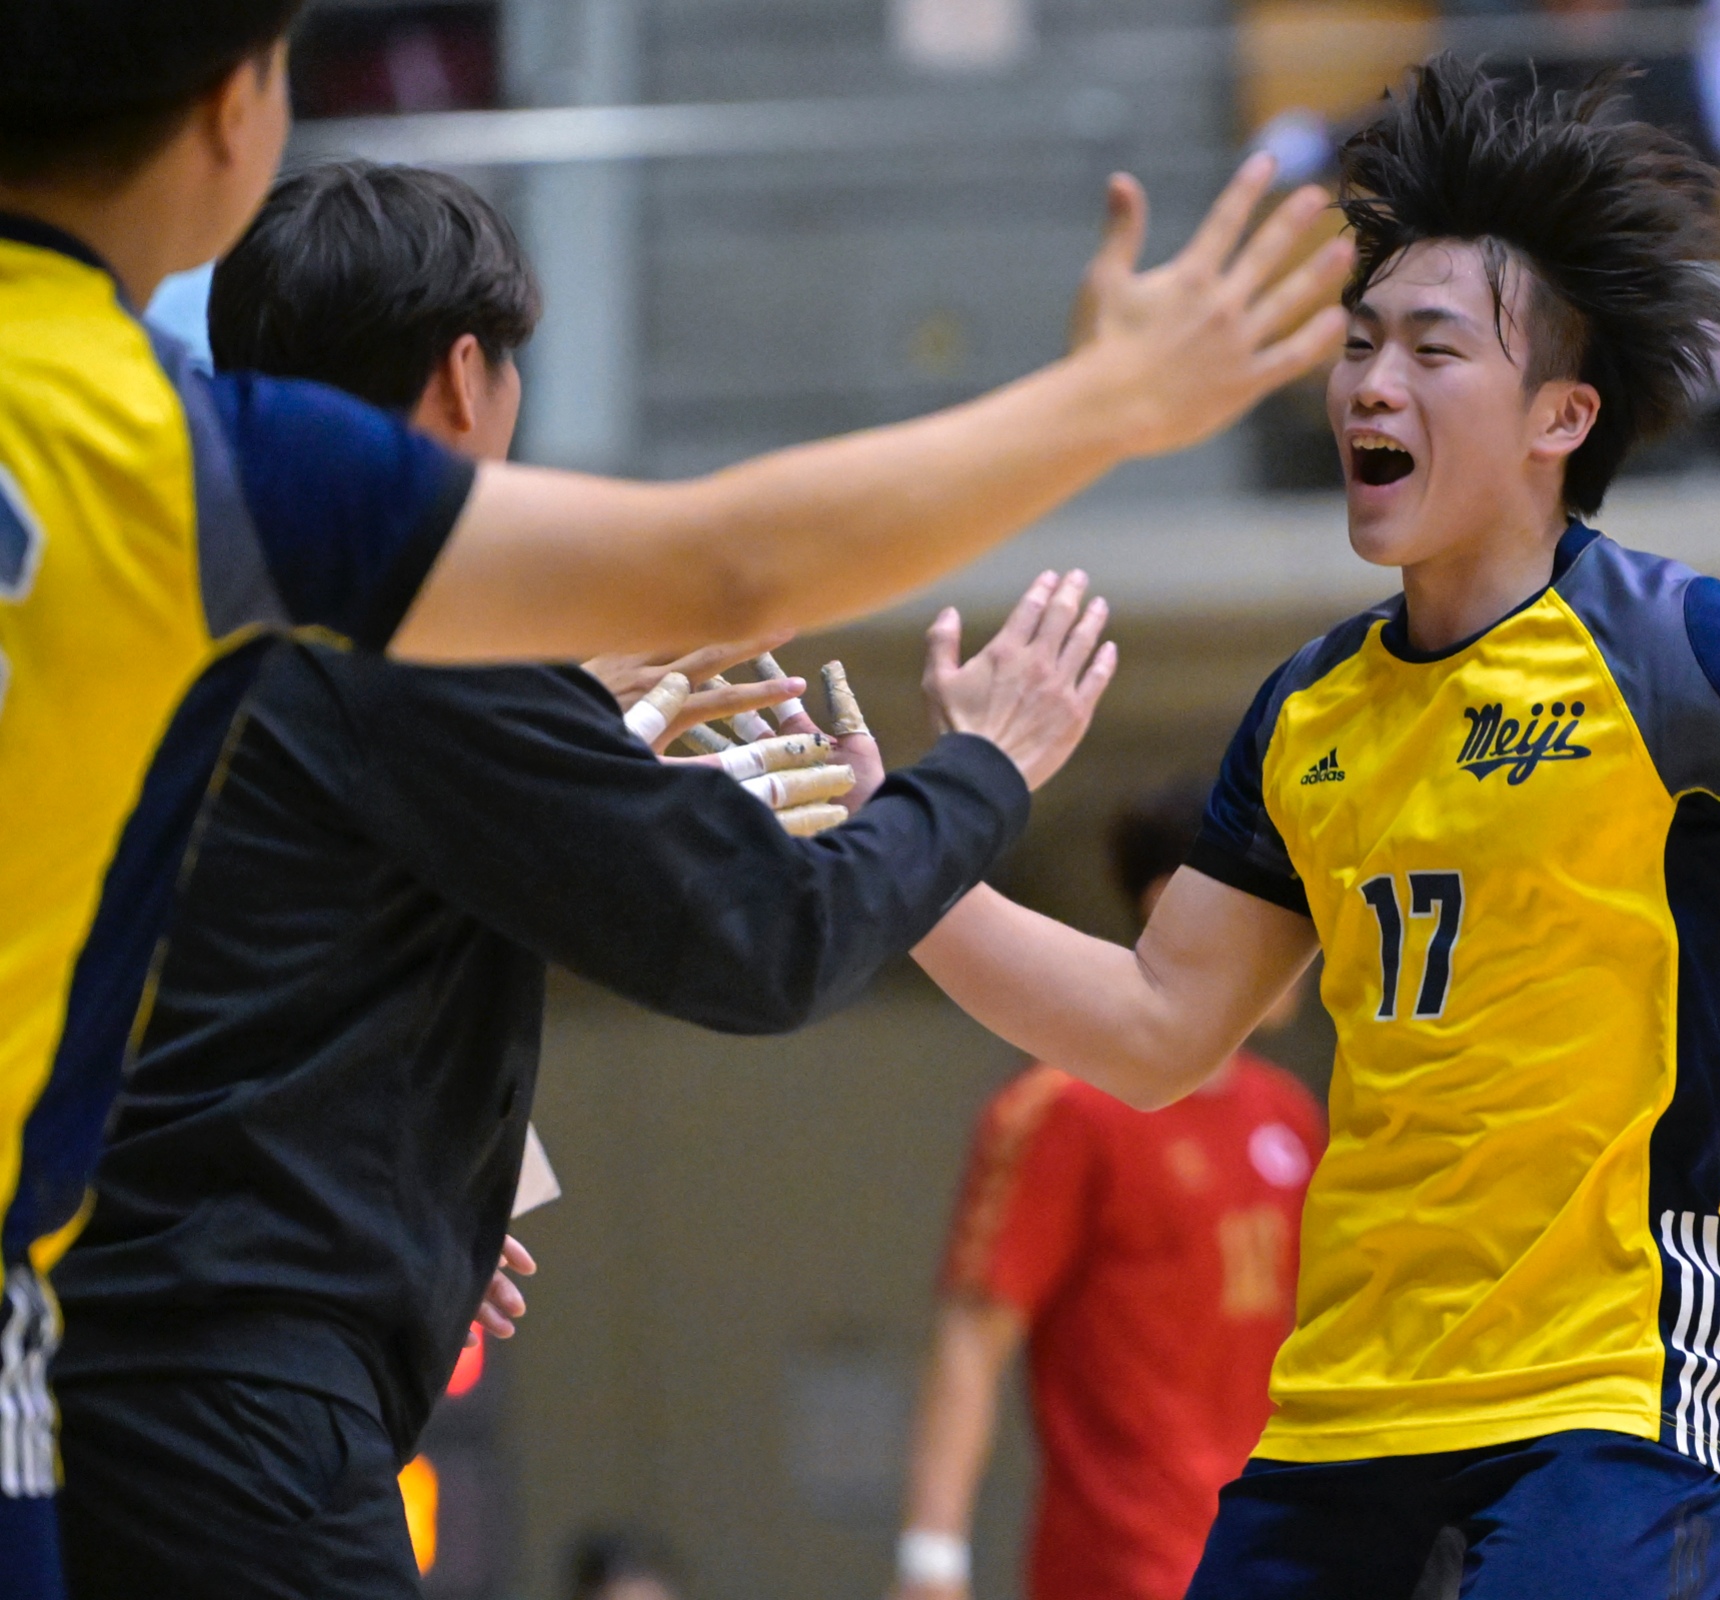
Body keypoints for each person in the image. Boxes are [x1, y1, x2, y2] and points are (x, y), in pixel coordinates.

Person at [0, 2, 1344, 1578]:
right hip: (222, 1408)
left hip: (95, 1361)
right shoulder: (250, 519)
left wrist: (431, 1194)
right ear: (463, 382)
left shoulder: (208, 563)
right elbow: (767, 894)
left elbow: (228, 979)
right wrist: (991, 752)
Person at [908, 55, 1720, 1600]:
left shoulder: (1685, 650)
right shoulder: (1306, 712)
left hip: (1608, 1400)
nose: (1371, 383)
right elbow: (1157, 1027)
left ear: (1560, 416)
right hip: (1342, 1414)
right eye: (1358, 342)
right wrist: (894, 855)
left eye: (1431, 349)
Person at [891, 784, 1326, 1600]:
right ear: (1175, 906)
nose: (1312, 932)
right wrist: (931, 1560)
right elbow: (973, 1336)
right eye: (1287, 898)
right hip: (1126, 1567)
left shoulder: (1289, 1116)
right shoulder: (1064, 1112)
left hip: (1276, 1555)